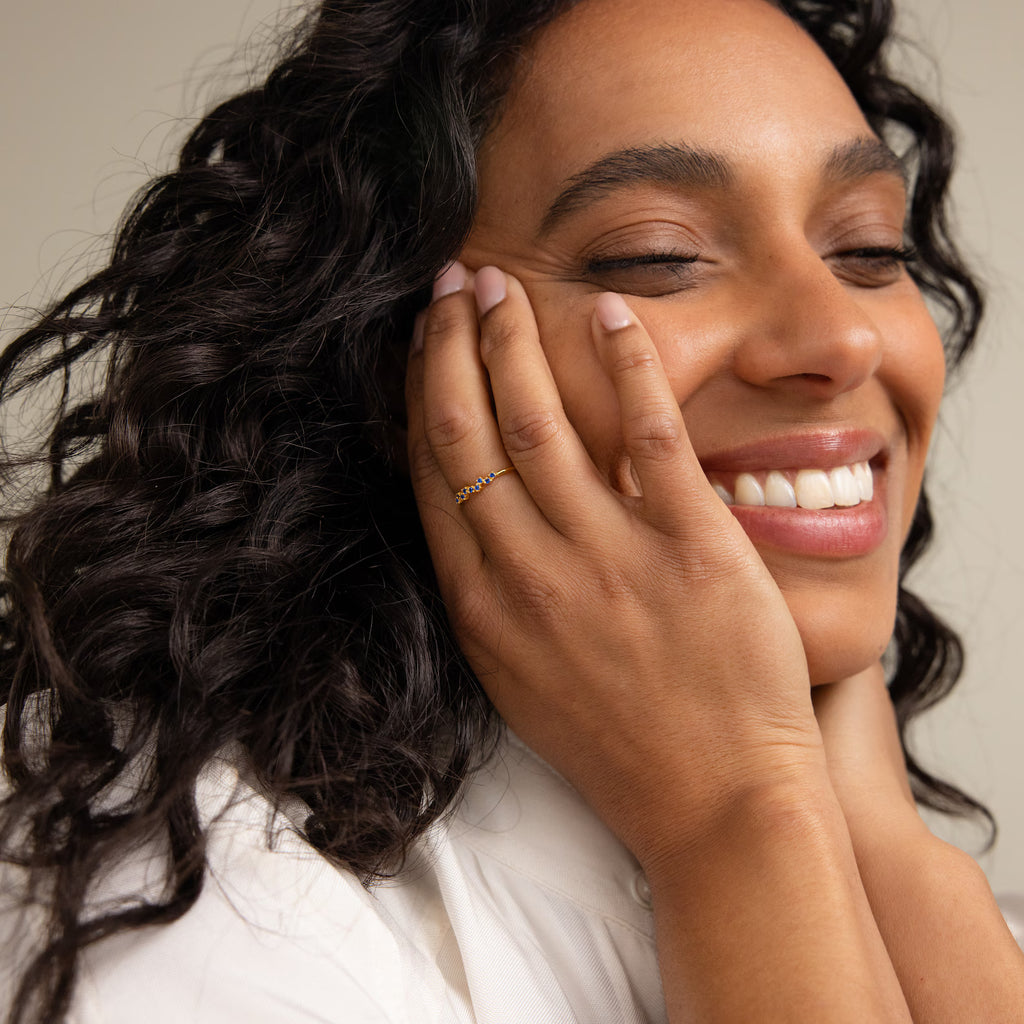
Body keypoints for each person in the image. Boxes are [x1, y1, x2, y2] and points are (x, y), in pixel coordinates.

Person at [1, 0, 1022, 1020]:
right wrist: (736, 813)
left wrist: (891, 856)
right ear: (389, 354)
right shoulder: (200, 921)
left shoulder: (947, 893)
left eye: (869, 250)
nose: (840, 338)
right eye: (655, 255)